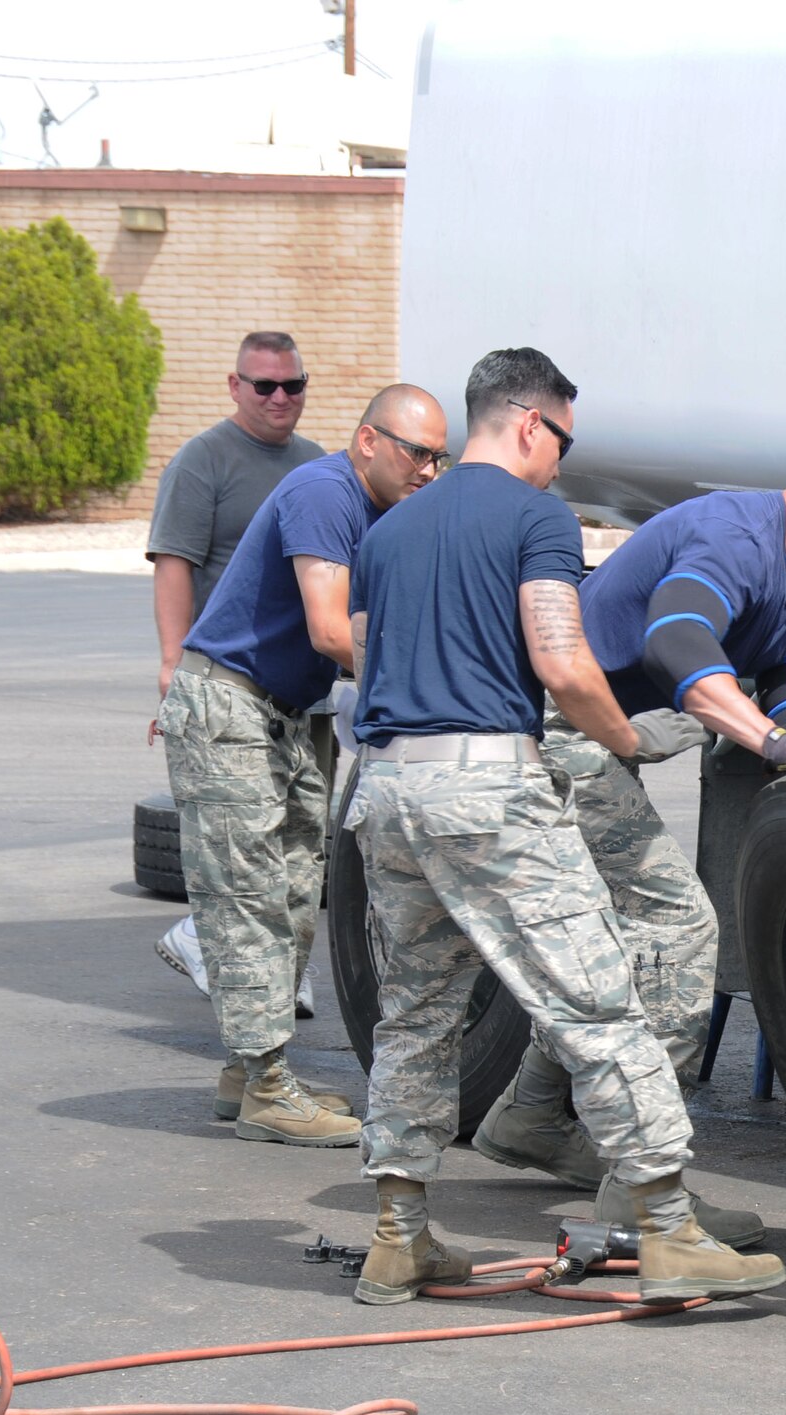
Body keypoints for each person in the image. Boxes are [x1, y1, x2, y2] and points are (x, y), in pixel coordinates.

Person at [343, 346, 786, 1308]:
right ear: (532, 424)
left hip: (387, 794)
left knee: (417, 1012)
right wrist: (625, 734)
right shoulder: (538, 517)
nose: (561, 465)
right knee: (597, 1000)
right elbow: (561, 658)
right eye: (563, 443)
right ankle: (667, 1228)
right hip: (488, 791)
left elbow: (371, 664)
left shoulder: (387, 529)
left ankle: (399, 1235)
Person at [470, 428, 786, 1247]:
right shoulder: (732, 536)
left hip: (596, 736)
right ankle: (644, 1189)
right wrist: (770, 743)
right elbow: (675, 639)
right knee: (679, 933)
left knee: (610, 940)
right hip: (551, 728)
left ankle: (532, 1112)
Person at [158, 384, 450, 1148]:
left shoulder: (384, 510)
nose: (428, 469)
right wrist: (430, 681)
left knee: (291, 895)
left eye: (438, 457)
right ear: (367, 441)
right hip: (231, 708)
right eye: (416, 452)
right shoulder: (325, 491)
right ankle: (265, 1089)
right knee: (249, 895)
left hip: (289, 713)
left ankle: (248, 1069)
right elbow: (330, 629)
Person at [146, 332, 324, 1011]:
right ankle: (211, 941)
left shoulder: (316, 464)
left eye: (293, 385)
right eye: (264, 385)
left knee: (296, 840)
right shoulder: (204, 461)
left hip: (299, 688)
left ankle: (254, 955)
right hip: (227, 681)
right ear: (234, 385)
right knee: (242, 838)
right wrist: (171, 663)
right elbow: (173, 564)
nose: (280, 398)